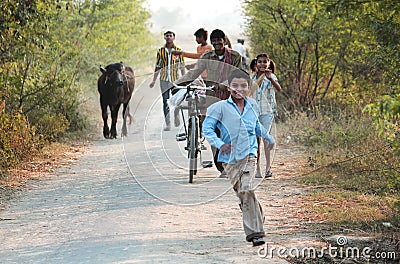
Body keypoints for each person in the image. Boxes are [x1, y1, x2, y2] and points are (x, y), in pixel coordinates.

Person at [202, 68, 274, 247]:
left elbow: (256, 125)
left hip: (249, 154)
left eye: (243, 86)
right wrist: (219, 144)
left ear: (248, 88)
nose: (239, 89)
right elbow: (207, 128)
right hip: (229, 159)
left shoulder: (252, 105)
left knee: (247, 188)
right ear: (228, 87)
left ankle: (255, 233)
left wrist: (268, 137)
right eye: (235, 86)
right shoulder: (219, 108)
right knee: (243, 194)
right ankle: (257, 216)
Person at [174, 29, 242, 177]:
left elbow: (239, 75)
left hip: (230, 97)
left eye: (219, 40)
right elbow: (195, 72)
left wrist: (224, 85)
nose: (217, 43)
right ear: (212, 42)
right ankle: (221, 166)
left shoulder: (235, 56)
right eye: (214, 41)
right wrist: (178, 83)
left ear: (224, 40)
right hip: (211, 97)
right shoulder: (207, 56)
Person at [249, 53, 282, 178]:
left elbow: (278, 89)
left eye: (265, 62)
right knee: (256, 140)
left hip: (267, 112)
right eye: (260, 62)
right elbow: (249, 93)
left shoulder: (271, 76)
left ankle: (268, 168)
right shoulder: (252, 77)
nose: (262, 64)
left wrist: (270, 79)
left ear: (268, 63)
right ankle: (257, 169)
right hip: (254, 112)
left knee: (266, 138)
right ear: (256, 64)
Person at [149, 30, 185, 131]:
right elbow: (158, 66)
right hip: (164, 80)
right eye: (167, 36)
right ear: (164, 37)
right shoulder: (161, 51)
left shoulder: (178, 50)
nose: (169, 37)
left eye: (171, 36)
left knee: (178, 100)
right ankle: (168, 123)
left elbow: (182, 66)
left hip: (175, 80)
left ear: (174, 37)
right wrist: (153, 80)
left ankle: (176, 114)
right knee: (165, 101)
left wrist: (184, 80)